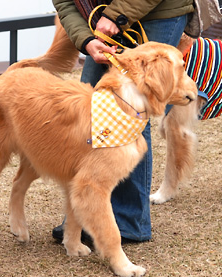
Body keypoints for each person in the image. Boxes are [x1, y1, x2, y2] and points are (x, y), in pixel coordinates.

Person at [51, 0, 194, 244]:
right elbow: (65, 2)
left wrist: (117, 16)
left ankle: (129, 222)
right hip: (99, 21)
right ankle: (86, 215)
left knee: (135, 106)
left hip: (158, 11)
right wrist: (86, 39)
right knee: (93, 108)